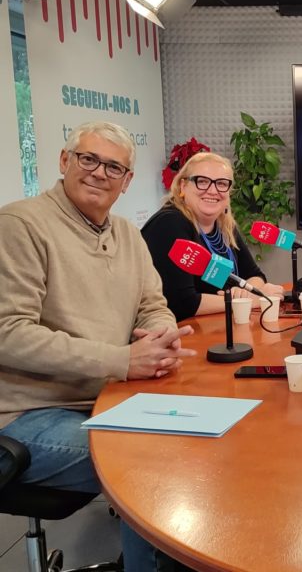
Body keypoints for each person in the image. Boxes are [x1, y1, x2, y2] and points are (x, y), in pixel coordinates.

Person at [0, 121, 197, 570]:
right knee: (145, 459)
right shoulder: (20, 224)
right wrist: (123, 359)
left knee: (199, 443)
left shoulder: (128, 233)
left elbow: (153, 303)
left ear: (127, 182)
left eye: (114, 166)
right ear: (64, 161)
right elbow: (7, 333)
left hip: (104, 399)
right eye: (88, 159)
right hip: (27, 415)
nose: (99, 173)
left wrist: (160, 333)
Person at [142, 152, 283, 322]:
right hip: (179, 335)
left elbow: (255, 275)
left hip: (219, 327)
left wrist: (244, 292)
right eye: (202, 181)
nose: (213, 190)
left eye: (222, 184)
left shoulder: (224, 226)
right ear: (183, 187)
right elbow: (183, 303)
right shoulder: (169, 223)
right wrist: (250, 300)